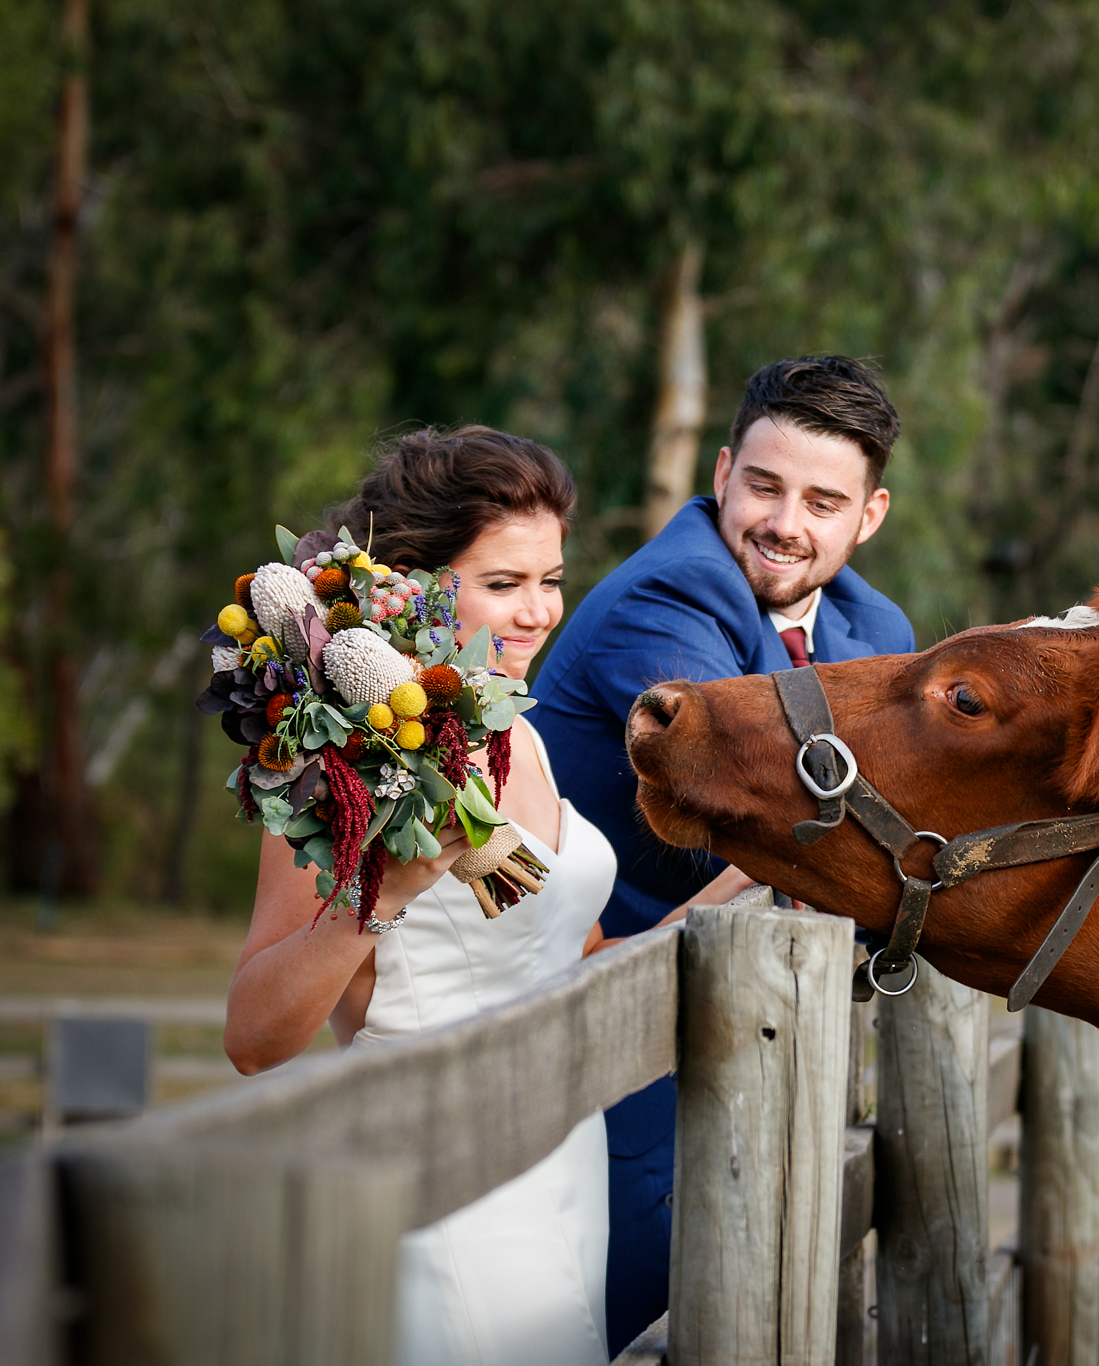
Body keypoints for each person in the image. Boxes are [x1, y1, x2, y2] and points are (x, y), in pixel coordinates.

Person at [223, 425, 722, 1366]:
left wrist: (730, 896)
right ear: (413, 588)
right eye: (504, 584)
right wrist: (389, 890)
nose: (538, 612)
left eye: (552, 580)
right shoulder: (347, 761)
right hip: (440, 1169)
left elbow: (562, 968)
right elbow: (253, 1037)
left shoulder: (516, 730)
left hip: (562, 1162)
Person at [529, 355, 916, 1352]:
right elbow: (771, 811)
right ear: (720, 471)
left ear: (867, 517)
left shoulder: (875, 627)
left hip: (769, 1025)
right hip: (622, 1033)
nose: (786, 522)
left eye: (822, 500)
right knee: (640, 1325)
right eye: (764, 485)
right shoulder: (663, 601)